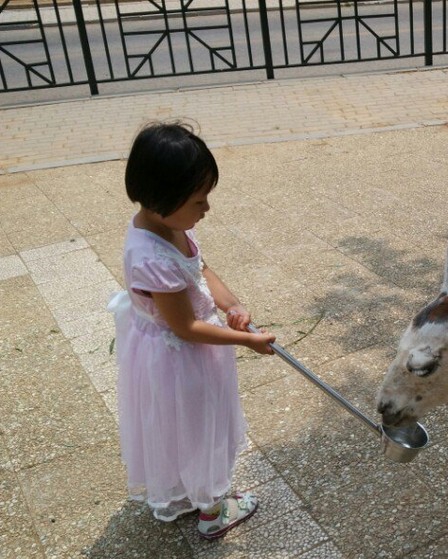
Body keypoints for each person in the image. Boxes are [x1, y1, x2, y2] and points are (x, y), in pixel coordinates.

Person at [108, 121, 275, 540]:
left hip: (187, 348)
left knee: (183, 426)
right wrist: (247, 340)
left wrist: (232, 305)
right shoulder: (152, 258)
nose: (207, 209)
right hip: (180, 356)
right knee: (200, 429)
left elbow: (200, 270)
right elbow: (184, 326)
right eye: (200, 200)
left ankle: (189, 493)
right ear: (165, 198)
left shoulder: (169, 225)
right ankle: (213, 512)